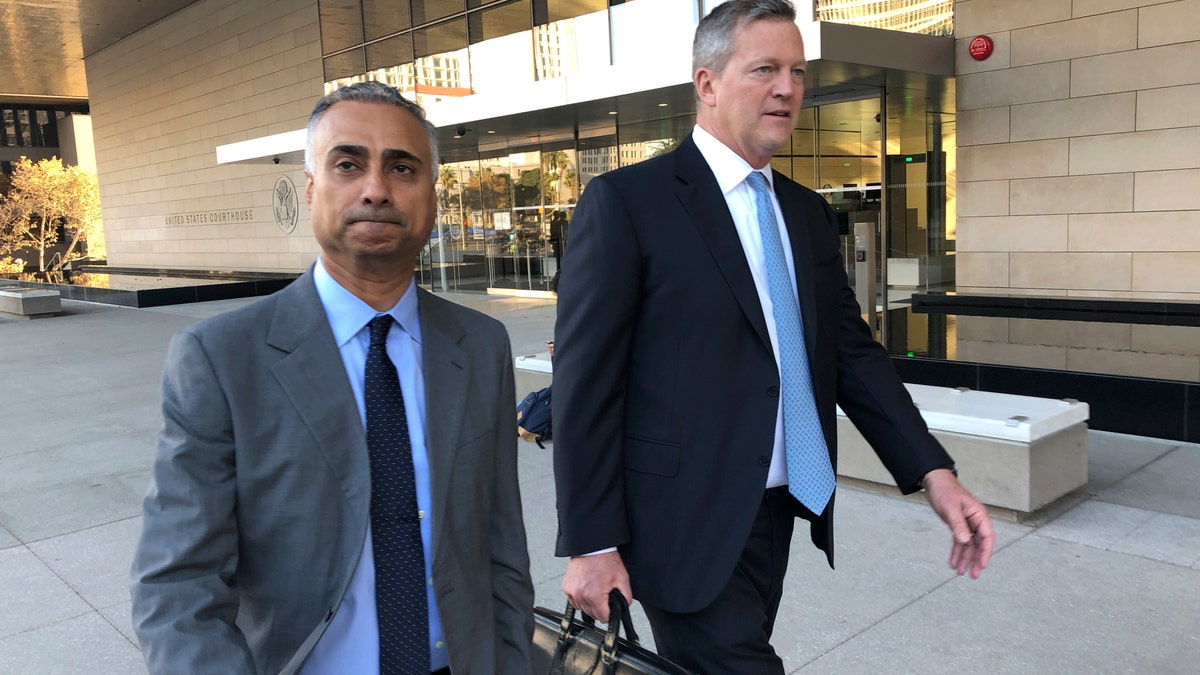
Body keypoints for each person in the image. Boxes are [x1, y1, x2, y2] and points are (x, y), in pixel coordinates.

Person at [551, 1, 994, 672]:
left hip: (779, 509)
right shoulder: (629, 203)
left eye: (796, 71)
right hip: (678, 520)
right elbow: (585, 383)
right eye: (764, 69)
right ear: (707, 84)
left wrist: (934, 473)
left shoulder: (807, 213)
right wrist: (590, 540)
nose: (787, 88)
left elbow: (851, 353)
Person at [130, 81, 534, 674]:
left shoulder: (479, 344)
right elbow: (178, 586)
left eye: (402, 168)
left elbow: (501, 542)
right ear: (311, 187)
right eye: (349, 164)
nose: (376, 189)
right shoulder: (220, 357)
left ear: (431, 195)